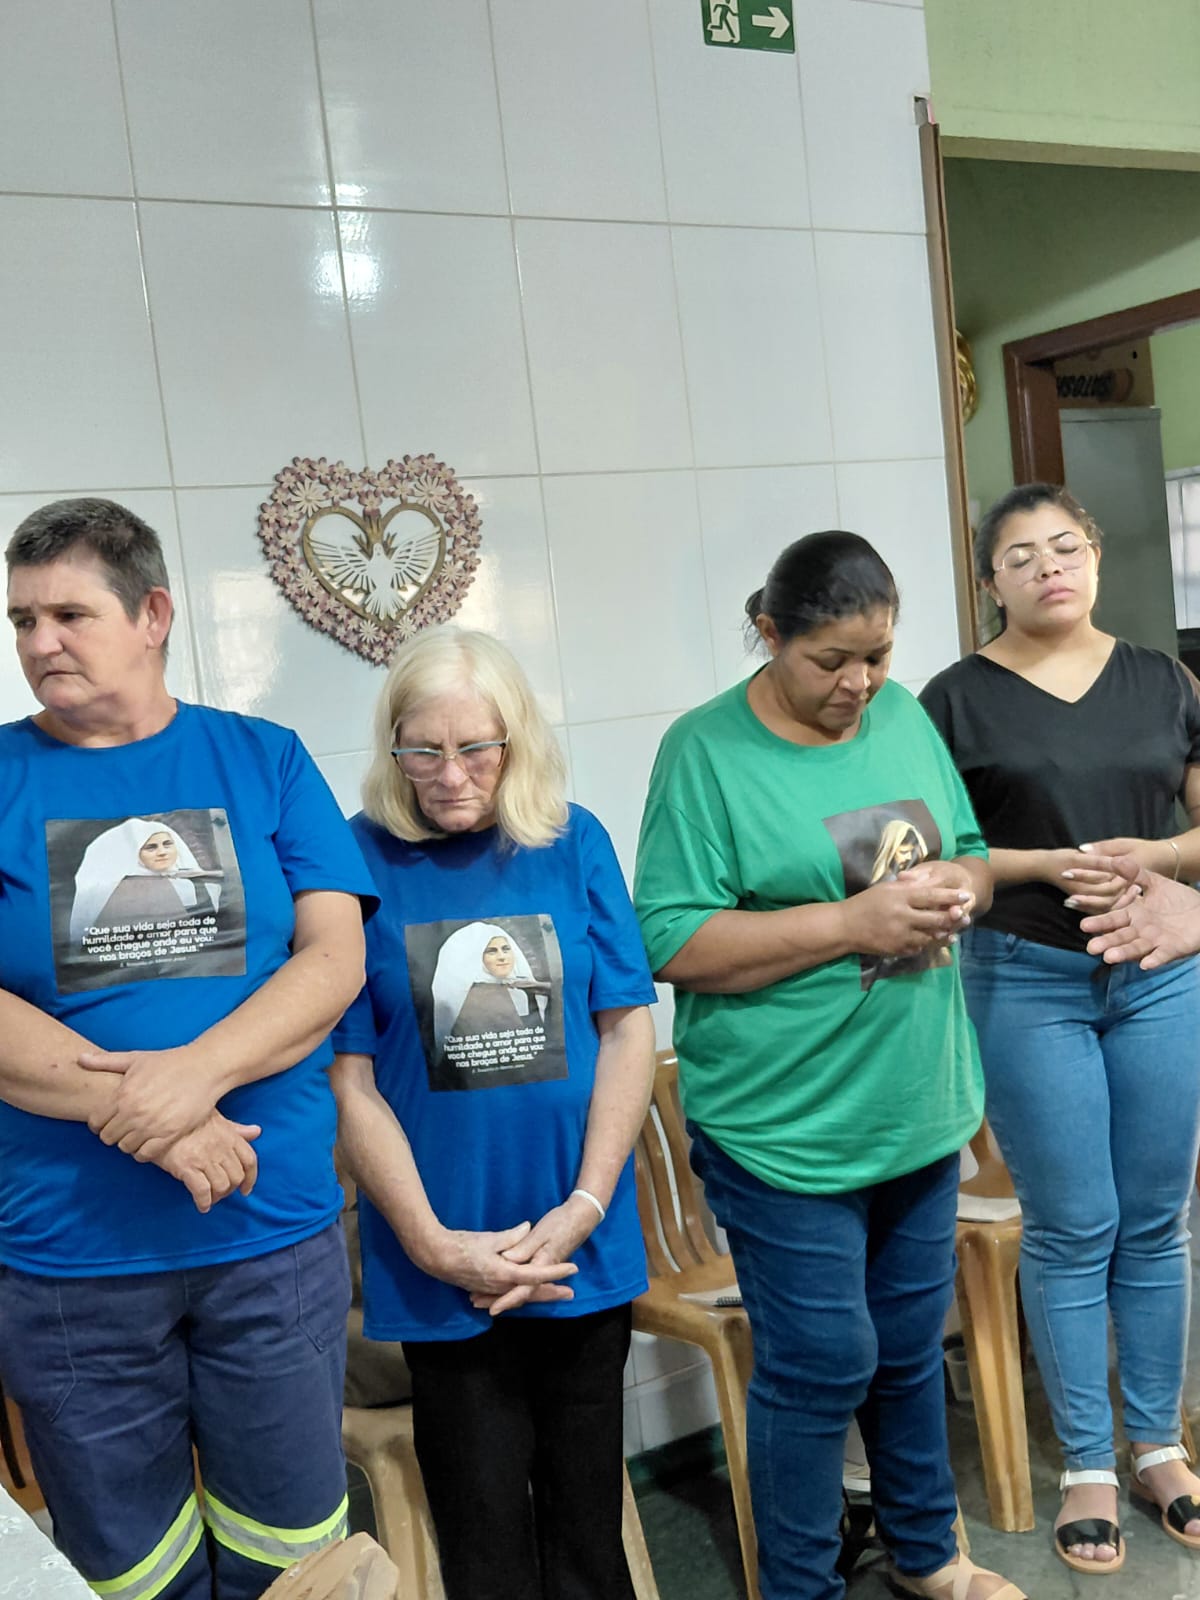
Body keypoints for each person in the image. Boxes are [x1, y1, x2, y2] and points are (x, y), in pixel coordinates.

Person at [634, 531, 1024, 1600]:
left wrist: (960, 888)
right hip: (785, 1126)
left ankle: (929, 1554)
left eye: (878, 656)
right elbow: (670, 937)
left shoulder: (902, 718)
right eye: (830, 661)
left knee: (908, 1345)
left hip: (916, 1103)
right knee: (820, 1361)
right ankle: (800, 1587)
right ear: (770, 634)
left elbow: (974, 853)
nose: (859, 683)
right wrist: (854, 923)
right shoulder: (705, 751)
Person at [0, 498, 378, 1600]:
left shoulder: (263, 760)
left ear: (154, 614)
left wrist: (189, 1080)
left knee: (293, 1558)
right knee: (132, 1571)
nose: (39, 642)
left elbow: (333, 960)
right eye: (21, 620)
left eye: (69, 614)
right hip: (72, 1258)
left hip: (269, 1234)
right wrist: (162, 1122)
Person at [330, 626, 657, 1600]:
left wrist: (586, 1204)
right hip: (441, 1263)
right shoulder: (357, 857)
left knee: (588, 1533)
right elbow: (349, 1079)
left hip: (576, 1244)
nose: (449, 775)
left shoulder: (573, 839)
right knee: (482, 1546)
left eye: (475, 748)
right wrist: (433, 1244)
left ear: (516, 741)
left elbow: (627, 1031)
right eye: (422, 750)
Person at [920, 483, 1200, 1574]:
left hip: (1162, 975)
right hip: (1025, 978)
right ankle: (1087, 1460)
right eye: (1022, 555)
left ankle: (1158, 1445)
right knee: (1074, 1223)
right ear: (990, 580)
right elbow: (928, 855)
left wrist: (1161, 856)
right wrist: (1044, 864)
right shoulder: (953, 701)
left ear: (1096, 555)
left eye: (1067, 546)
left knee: (1157, 1219)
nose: (1050, 568)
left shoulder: (1164, 680)